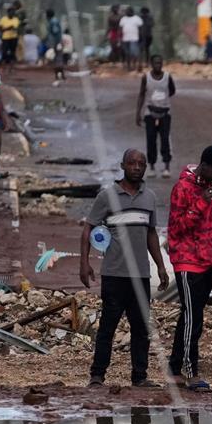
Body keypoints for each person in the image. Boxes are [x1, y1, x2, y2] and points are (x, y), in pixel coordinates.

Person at [80, 148, 169, 388]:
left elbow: (151, 233)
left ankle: (139, 377)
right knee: (108, 327)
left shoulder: (149, 197)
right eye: (132, 163)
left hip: (140, 274)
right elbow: (88, 228)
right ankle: (97, 375)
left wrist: (161, 266)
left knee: (141, 328)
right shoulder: (107, 196)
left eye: (142, 163)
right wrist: (84, 262)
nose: (137, 167)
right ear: (123, 165)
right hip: (114, 273)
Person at [167, 146, 212, 391]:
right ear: (203, 166)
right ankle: (191, 372)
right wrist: (200, 203)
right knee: (193, 318)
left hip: (206, 261)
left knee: (191, 316)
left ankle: (174, 369)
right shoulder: (182, 188)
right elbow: (177, 228)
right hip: (186, 260)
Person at [136, 55, 176, 178]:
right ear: (151, 64)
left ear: (162, 64)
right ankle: (152, 166)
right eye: (155, 63)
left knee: (165, 139)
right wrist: (138, 113)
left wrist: (162, 99)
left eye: (160, 63)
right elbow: (141, 94)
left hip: (165, 113)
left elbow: (172, 90)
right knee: (151, 140)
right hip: (150, 113)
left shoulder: (167, 77)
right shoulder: (146, 78)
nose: (158, 65)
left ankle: (166, 166)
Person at [119, 7, 144, 73]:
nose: (127, 12)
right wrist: (120, 38)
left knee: (134, 53)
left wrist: (141, 37)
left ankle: (135, 65)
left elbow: (141, 28)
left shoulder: (137, 18)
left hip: (134, 38)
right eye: (126, 11)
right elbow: (120, 29)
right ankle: (129, 66)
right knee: (127, 53)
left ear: (132, 12)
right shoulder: (123, 19)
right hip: (125, 38)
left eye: (129, 11)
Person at [0, 6, 20, 71]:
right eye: (10, 12)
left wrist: (12, 28)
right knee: (4, 52)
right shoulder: (3, 19)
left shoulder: (16, 19)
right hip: (5, 38)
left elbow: (16, 28)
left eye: (13, 12)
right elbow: (0, 29)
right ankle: (3, 67)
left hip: (14, 37)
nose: (12, 13)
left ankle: (11, 68)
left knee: (12, 53)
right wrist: (8, 28)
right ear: (8, 12)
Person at [45, 9, 64, 81]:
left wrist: (56, 42)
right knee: (58, 58)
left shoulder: (53, 21)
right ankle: (60, 74)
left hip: (57, 42)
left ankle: (58, 75)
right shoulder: (53, 21)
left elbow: (55, 31)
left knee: (58, 58)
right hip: (57, 42)